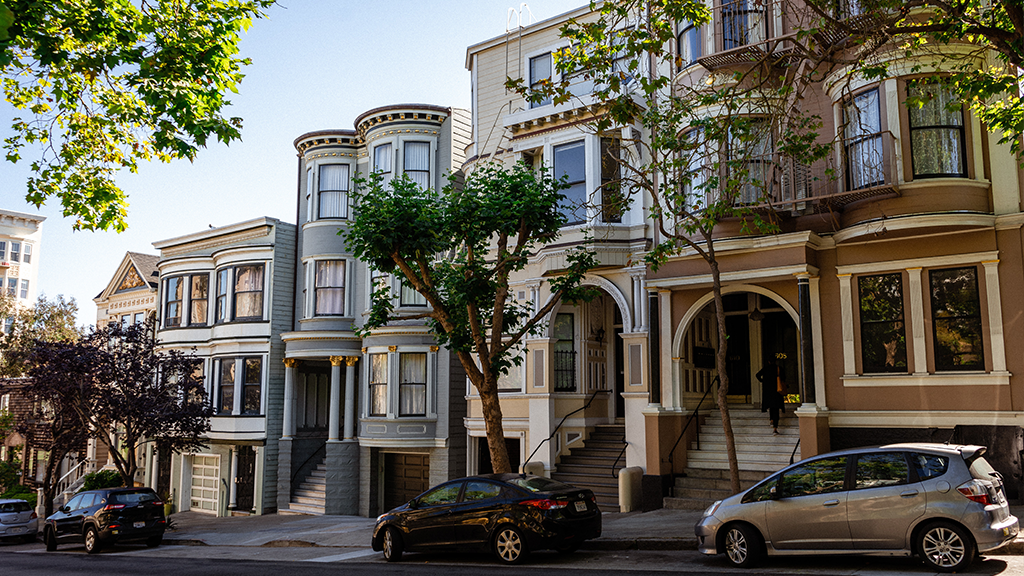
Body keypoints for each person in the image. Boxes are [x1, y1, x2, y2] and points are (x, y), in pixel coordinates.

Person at [756, 357, 786, 435]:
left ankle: (771, 420)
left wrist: (763, 381)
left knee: (771, 407)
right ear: (775, 361)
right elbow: (784, 378)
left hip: (768, 391)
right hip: (777, 391)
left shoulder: (765, 369)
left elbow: (757, 375)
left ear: (769, 361)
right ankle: (775, 428)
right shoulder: (779, 369)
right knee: (776, 409)